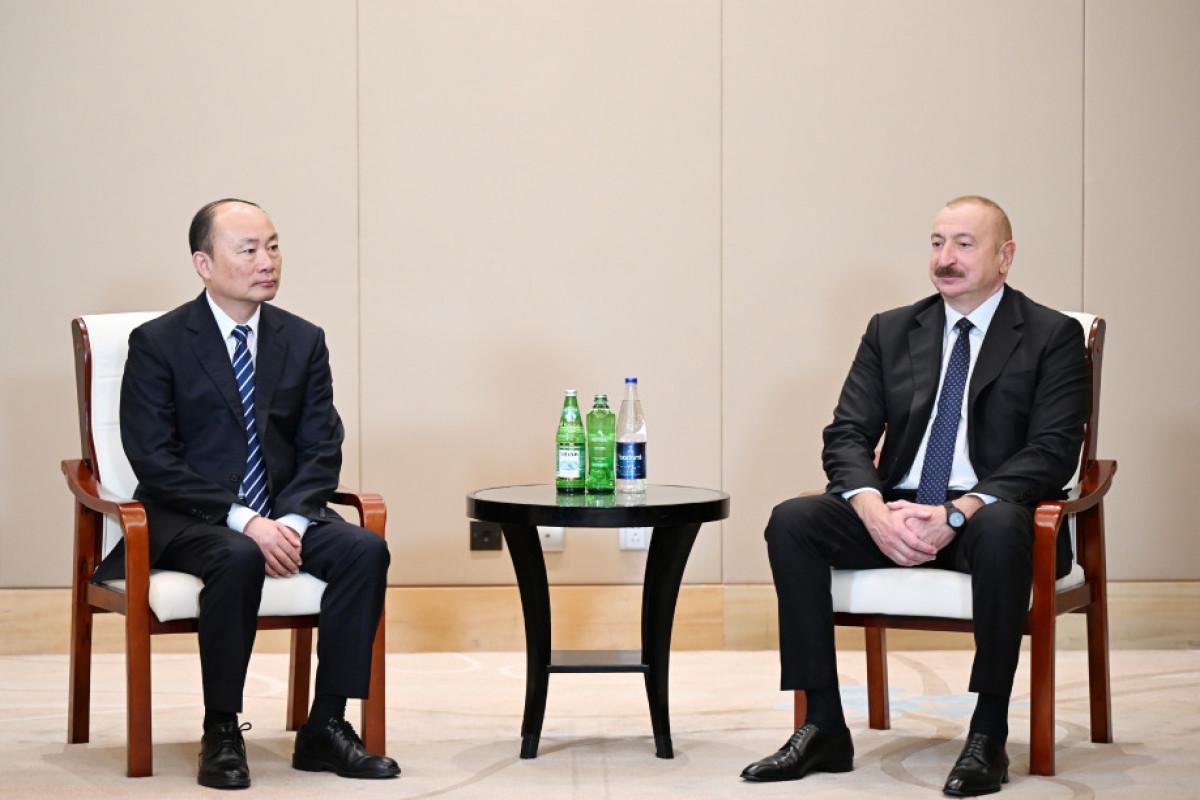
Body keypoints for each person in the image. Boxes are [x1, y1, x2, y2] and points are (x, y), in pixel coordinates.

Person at [740, 196, 1087, 797]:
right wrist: (872, 509)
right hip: (898, 508)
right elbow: (847, 433)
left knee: (1002, 527)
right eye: (936, 242)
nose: (944, 257)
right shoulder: (892, 329)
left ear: (1005, 256)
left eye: (963, 244)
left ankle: (987, 733)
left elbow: (1052, 451)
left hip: (992, 519)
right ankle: (822, 726)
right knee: (792, 521)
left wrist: (959, 510)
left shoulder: (1051, 335)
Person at [93, 198, 399, 788]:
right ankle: (222, 729)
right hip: (190, 518)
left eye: (274, 246)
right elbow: (153, 459)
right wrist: (246, 521)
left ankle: (326, 726)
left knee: (364, 549)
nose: (267, 261)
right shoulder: (159, 342)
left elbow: (321, 446)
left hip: (284, 515)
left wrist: (293, 522)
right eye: (250, 249)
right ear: (204, 264)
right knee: (237, 556)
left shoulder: (303, 340)